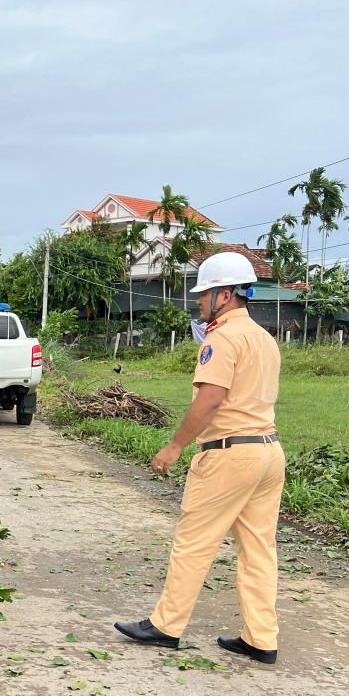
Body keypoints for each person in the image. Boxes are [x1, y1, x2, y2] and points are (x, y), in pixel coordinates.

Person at [114, 251, 285, 664]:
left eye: (205, 294)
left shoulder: (223, 338)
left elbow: (210, 399)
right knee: (259, 549)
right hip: (267, 453)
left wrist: (173, 446)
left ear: (225, 295)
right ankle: (261, 637)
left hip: (229, 455)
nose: (199, 302)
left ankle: (166, 626)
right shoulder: (264, 338)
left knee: (193, 543)